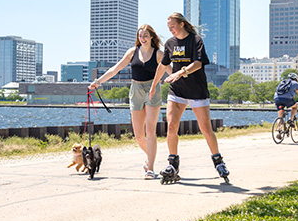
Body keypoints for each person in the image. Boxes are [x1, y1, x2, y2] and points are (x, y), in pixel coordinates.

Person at [148, 12, 229, 181]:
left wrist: (180, 72)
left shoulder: (195, 40)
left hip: (197, 91)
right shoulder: (170, 43)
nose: (170, 30)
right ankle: (172, 164)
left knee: (206, 129)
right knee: (171, 126)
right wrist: (154, 84)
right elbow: (162, 66)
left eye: (173, 26)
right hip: (177, 90)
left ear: (182, 24)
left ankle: (218, 161)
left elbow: (198, 63)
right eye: (168, 27)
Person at [88, 24, 168, 179]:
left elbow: (169, 70)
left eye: (145, 35)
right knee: (138, 135)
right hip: (136, 90)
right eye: (140, 35)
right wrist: (98, 82)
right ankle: (151, 157)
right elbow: (115, 69)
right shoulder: (132, 52)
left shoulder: (158, 54)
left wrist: (183, 75)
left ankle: (150, 168)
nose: (143, 38)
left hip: (152, 90)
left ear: (152, 37)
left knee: (150, 131)